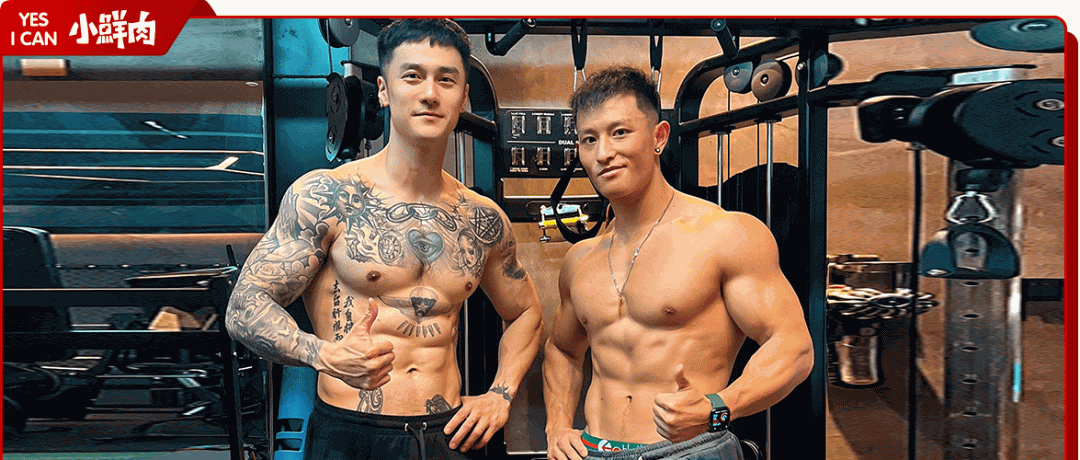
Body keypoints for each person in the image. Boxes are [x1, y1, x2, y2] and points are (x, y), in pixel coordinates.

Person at [226, 19, 542, 460]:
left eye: (446, 80)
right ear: (383, 90)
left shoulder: (481, 218)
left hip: (448, 435)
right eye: (412, 76)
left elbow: (526, 312)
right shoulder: (326, 197)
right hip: (352, 435)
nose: (430, 94)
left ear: (463, 96)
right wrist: (323, 355)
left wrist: (501, 394)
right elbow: (244, 306)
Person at [543, 66, 814, 460]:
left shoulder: (723, 234)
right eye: (589, 139)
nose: (603, 153)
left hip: (687, 451)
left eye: (620, 132)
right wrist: (556, 426)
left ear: (659, 137)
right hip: (593, 450)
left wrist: (718, 408)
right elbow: (562, 350)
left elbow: (793, 347)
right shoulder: (580, 259)